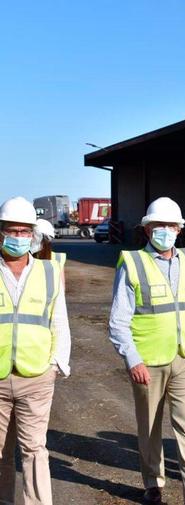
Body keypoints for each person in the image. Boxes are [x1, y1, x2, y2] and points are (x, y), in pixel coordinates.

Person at [108, 197, 185, 505]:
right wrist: (132, 359)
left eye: (171, 225)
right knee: (149, 426)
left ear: (179, 229)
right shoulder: (132, 263)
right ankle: (153, 484)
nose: (165, 231)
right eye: (159, 226)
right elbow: (118, 321)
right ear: (147, 230)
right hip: (148, 361)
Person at [0, 196, 71, 504]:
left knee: (34, 449)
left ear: (33, 234)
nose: (18, 237)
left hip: (37, 376)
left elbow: (60, 322)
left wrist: (56, 364)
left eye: (24, 231)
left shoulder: (49, 271)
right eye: (12, 231)